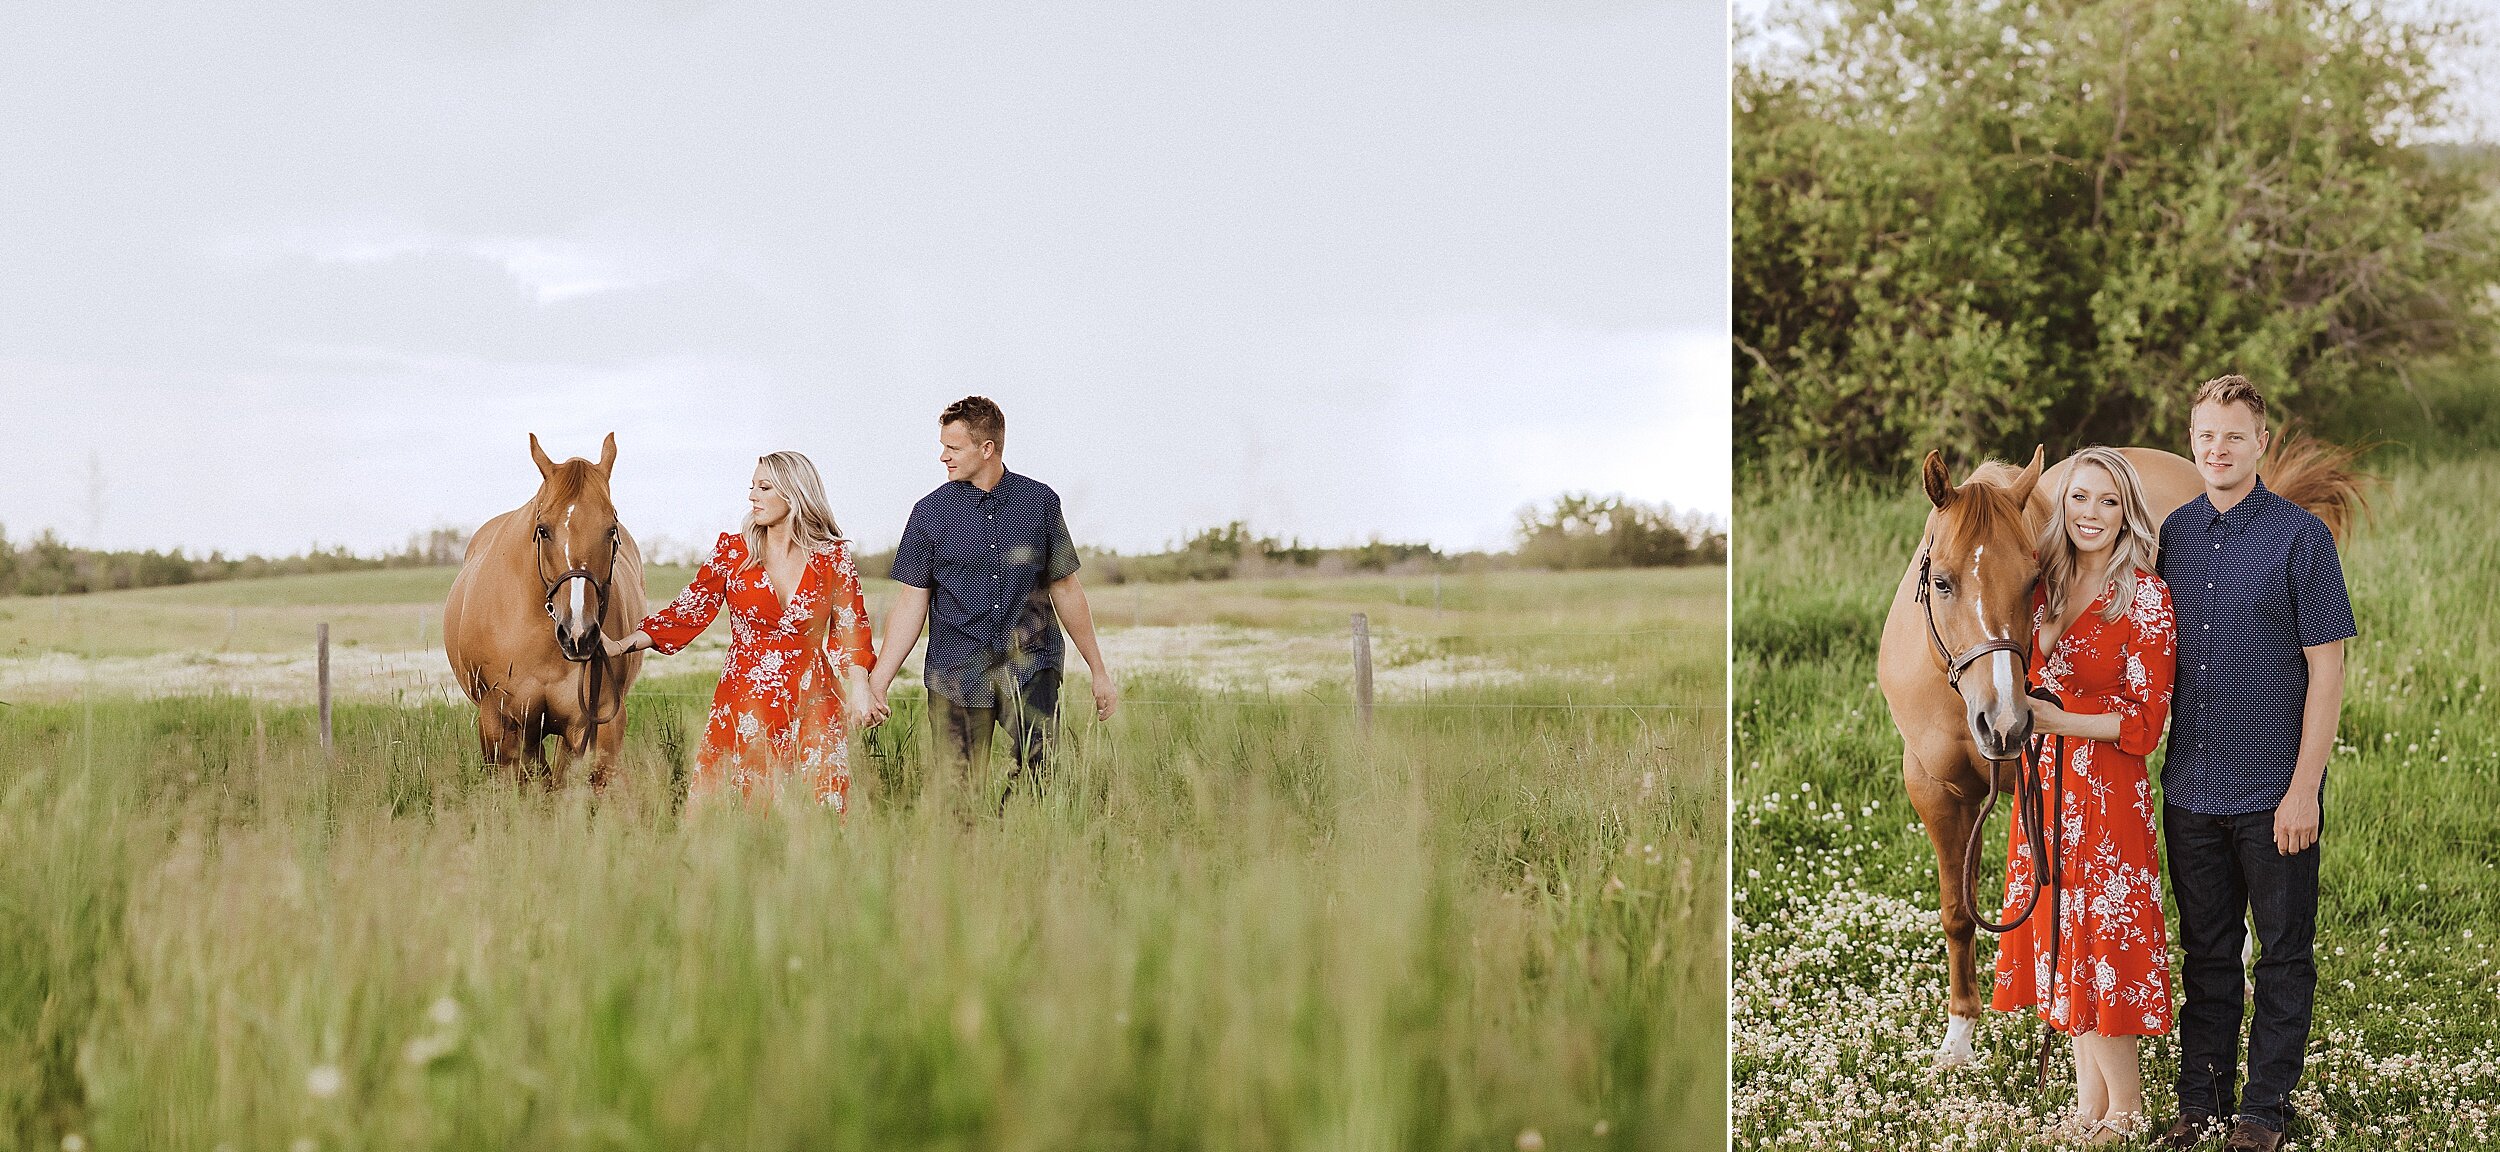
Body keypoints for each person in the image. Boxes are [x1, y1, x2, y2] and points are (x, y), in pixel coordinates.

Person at [2151, 376, 2354, 1152]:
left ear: (2260, 442)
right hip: (2192, 787)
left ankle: (2264, 1110)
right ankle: (2199, 1105)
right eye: (2205, 435)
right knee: (2205, 955)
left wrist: (2305, 789)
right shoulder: (2174, 533)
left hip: (2276, 790)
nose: (2216, 449)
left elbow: (2327, 672)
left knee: (2282, 953)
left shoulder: (2303, 537)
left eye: (2233, 436)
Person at [1989, 446, 2177, 1145]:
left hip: (2106, 796)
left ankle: (2126, 1110)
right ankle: (2087, 1108)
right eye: (2079, 499)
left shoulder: (2146, 596)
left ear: (2126, 511)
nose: (2091, 514)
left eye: (2107, 501)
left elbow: (2145, 723)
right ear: (2061, 508)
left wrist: (2060, 719)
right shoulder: (2041, 587)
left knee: (2105, 946)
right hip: (2045, 790)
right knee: (2062, 943)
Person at [866, 396, 1117, 813]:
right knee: (958, 794)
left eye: (953, 448)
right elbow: (911, 602)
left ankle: (1013, 845)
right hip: (956, 672)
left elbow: (1067, 589)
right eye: (943, 446)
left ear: (987, 449)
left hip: (1032, 666)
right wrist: (878, 681)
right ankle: (968, 867)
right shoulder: (929, 514)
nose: (942, 456)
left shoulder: (1040, 503)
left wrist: (1099, 670)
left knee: (1041, 780)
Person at [603, 451, 876, 810]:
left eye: (764, 487)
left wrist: (861, 689)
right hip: (745, 702)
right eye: (752, 486)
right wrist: (622, 645)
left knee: (819, 812)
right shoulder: (733, 552)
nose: (752, 496)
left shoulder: (833, 558)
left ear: (794, 493)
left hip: (814, 701)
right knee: (741, 813)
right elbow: (687, 612)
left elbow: (852, 629)